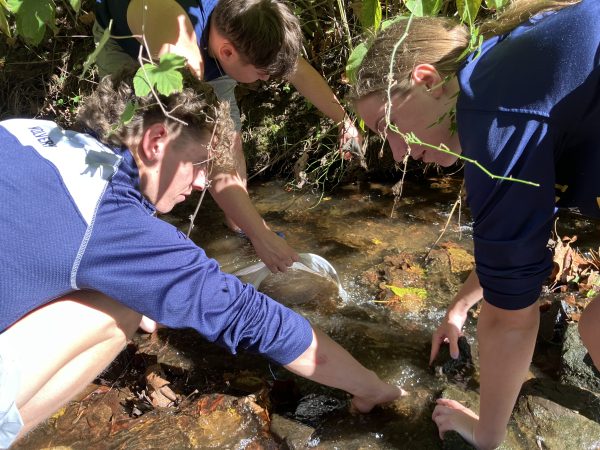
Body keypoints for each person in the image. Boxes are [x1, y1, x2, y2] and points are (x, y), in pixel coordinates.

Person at [0, 72, 403, 448]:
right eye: (199, 165)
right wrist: (371, 387)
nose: (200, 183)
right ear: (157, 140)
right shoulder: (108, 219)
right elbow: (251, 316)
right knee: (121, 306)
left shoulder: (21, 130)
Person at [352, 0, 599, 448]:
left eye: (388, 126)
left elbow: (510, 319)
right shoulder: (500, 69)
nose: (396, 152)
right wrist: (459, 309)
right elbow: (513, 248)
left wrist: (485, 432)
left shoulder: (491, 119)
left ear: (426, 81)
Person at [93, 0, 363, 274]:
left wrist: (344, 121)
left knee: (230, 140)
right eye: (262, 74)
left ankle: (238, 220)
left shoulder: (248, 22)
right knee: (143, 147)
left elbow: (299, 72)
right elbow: (211, 153)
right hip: (128, 47)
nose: (266, 81)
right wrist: (262, 235)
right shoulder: (181, 46)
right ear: (227, 52)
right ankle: (133, 235)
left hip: (212, 53)